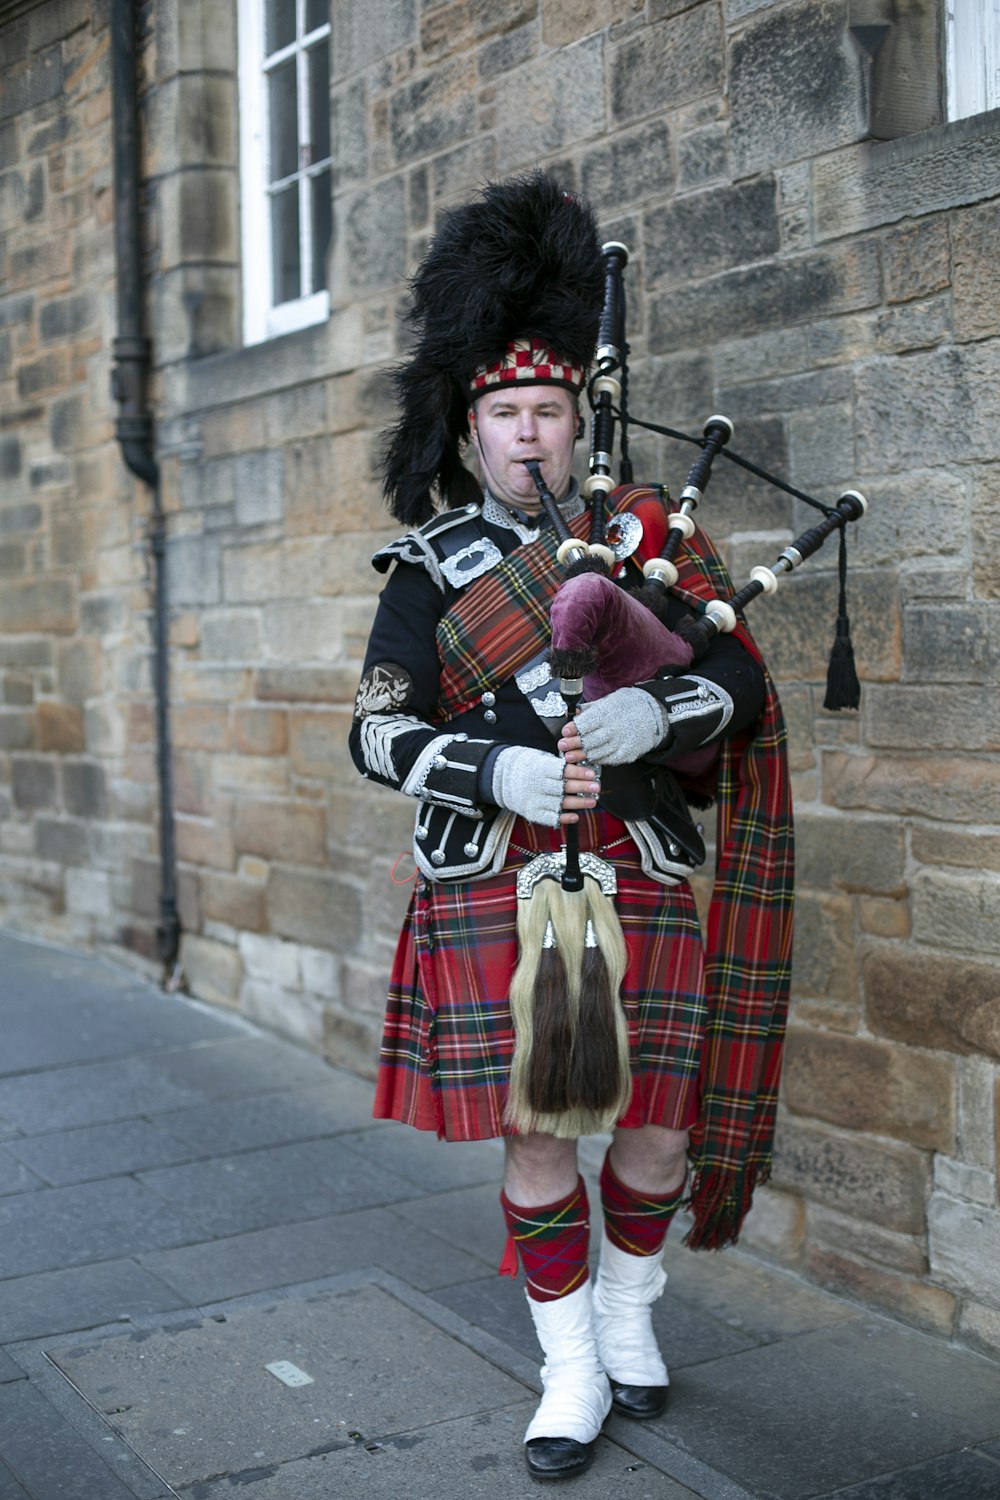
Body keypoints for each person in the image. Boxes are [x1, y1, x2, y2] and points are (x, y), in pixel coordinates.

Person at [349, 173, 793, 1482]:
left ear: (575, 415)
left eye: (549, 409)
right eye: (506, 413)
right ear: (470, 427)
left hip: (638, 868)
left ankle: (628, 1316)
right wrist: (492, 773)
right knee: (540, 1130)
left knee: (657, 1123)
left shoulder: (653, 538)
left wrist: (663, 720)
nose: (530, 434)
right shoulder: (433, 573)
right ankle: (565, 1365)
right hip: (498, 875)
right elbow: (373, 730)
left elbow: (746, 680)